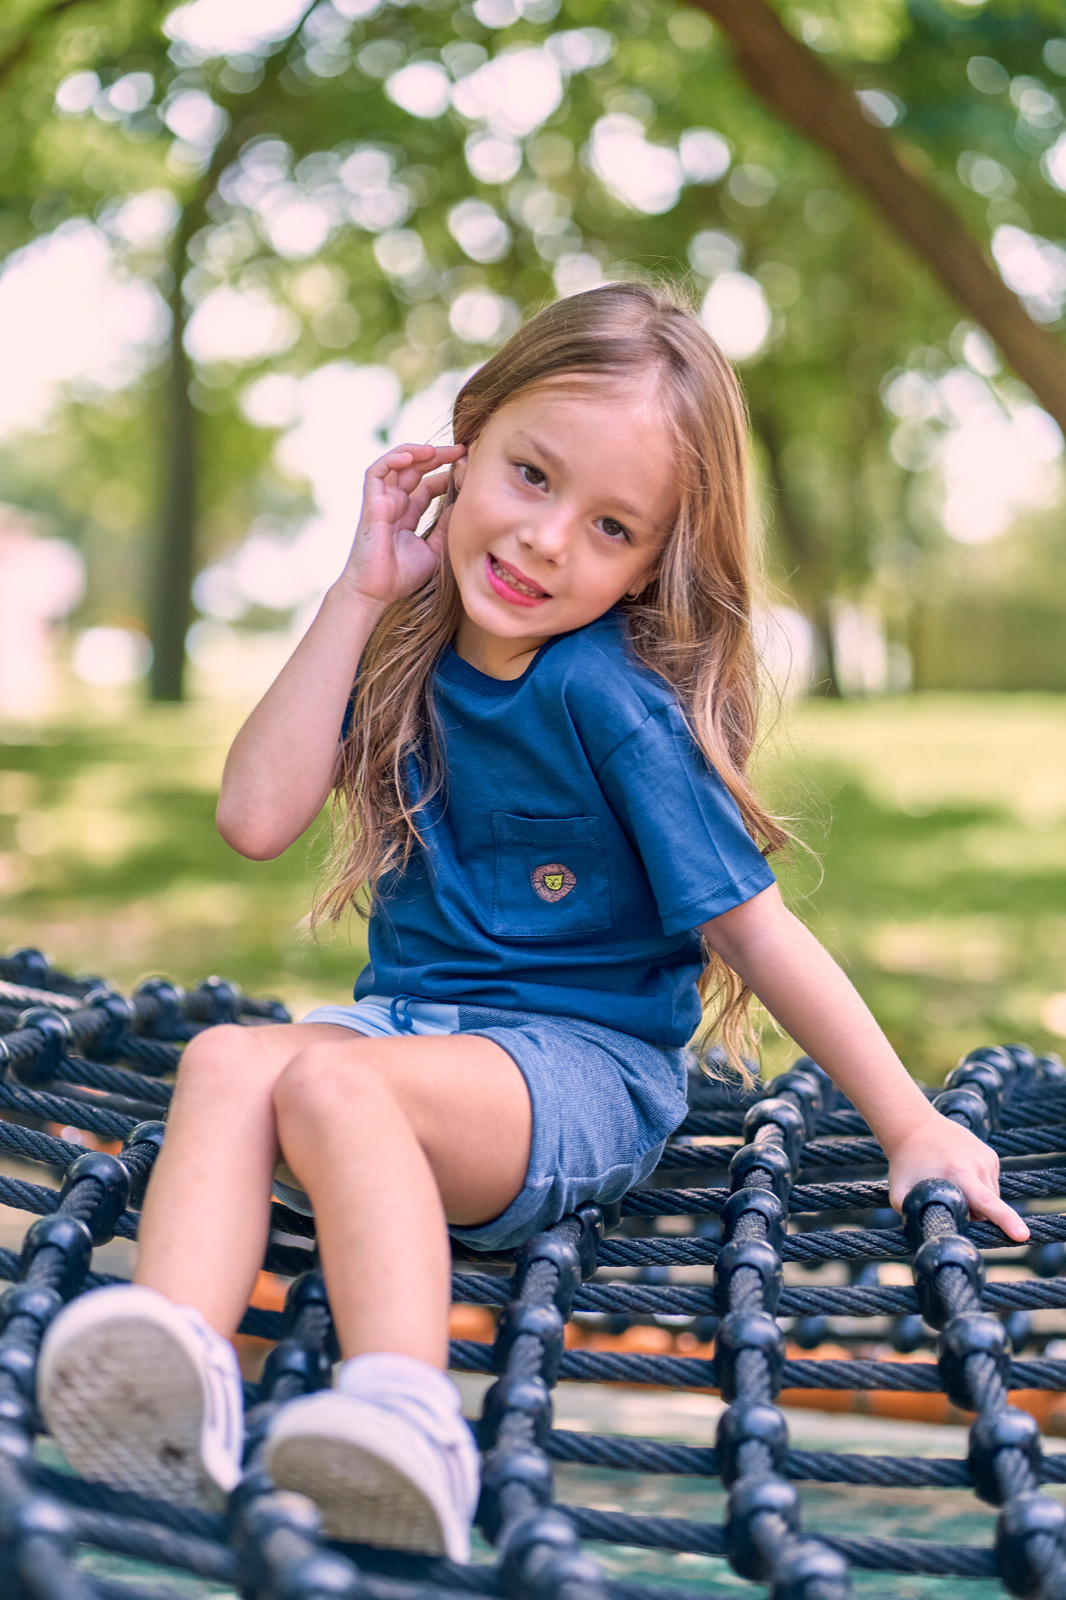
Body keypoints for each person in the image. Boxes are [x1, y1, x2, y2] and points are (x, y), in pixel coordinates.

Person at [38, 283, 1028, 1561]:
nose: (548, 539)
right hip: (413, 1038)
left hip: (578, 1073)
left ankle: (407, 1421)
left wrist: (910, 1121)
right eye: (529, 475)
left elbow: (756, 930)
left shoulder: (610, 700)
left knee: (341, 1093)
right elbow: (252, 816)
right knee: (230, 1057)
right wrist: (356, 589)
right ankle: (167, 1378)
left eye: (609, 525)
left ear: (649, 563)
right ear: (466, 441)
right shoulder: (407, 637)